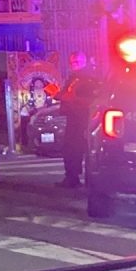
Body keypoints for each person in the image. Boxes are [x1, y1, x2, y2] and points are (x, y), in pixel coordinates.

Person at [55, 51, 100, 188]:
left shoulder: (87, 79)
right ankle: (72, 177)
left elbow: (87, 100)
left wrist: (64, 97)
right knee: (71, 149)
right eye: (72, 62)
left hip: (81, 118)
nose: (74, 65)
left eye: (77, 62)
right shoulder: (75, 78)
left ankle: (76, 178)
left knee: (77, 149)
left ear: (84, 62)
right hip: (74, 117)